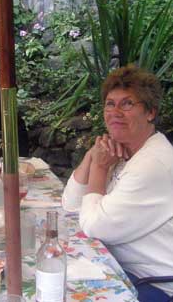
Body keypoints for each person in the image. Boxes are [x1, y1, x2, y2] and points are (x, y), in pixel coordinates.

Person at [62, 65, 173, 301]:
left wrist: (100, 168)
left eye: (127, 104)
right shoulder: (122, 149)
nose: (115, 112)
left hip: (155, 284)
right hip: (120, 267)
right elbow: (71, 206)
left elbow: (94, 226)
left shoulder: (153, 163)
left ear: (151, 113)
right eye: (110, 104)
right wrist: (93, 155)